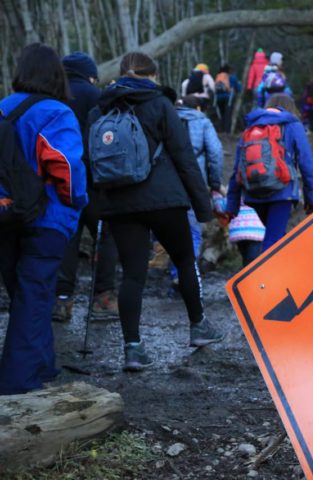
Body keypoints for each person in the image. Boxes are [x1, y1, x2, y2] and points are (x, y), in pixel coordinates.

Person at [89, 52, 223, 372]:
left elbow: (91, 162)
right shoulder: (161, 103)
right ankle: (198, 327)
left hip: (120, 204)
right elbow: (184, 158)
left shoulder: (100, 108)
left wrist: (98, 207)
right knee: (184, 261)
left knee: (133, 275)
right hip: (165, 200)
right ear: (152, 75)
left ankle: (133, 348)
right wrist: (204, 208)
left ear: (121, 73)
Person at [0, 43, 88, 394]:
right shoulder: (56, 112)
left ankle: (42, 367)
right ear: (56, 75)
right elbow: (65, 166)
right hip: (46, 218)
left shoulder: (3, 108)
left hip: (6, 216)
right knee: (35, 297)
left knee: (25, 295)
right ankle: (17, 384)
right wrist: (76, 202)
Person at [53, 52, 119, 323]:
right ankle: (103, 298)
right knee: (106, 236)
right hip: (95, 181)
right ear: (90, 74)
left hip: (60, 180)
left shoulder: (53, 97)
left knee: (68, 238)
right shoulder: (99, 96)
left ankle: (61, 300)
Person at [226, 94, 313, 261]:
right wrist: (311, 198)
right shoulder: (292, 125)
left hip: (253, 193)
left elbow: (237, 167)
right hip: (282, 192)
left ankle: (284, 279)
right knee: (273, 243)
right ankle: (261, 283)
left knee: (278, 237)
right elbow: (306, 162)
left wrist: (232, 205)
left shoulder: (251, 127)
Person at [172, 95, 224, 286]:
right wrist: (215, 182)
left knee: (173, 229)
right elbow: (215, 152)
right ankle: (187, 274)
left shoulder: (167, 117)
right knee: (192, 229)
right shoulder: (202, 121)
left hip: (168, 181)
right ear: (198, 108)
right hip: (195, 180)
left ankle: (176, 272)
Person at [214, 64, 241, 134]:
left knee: (221, 115)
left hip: (218, 98)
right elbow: (238, 88)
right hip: (228, 98)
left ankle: (221, 130)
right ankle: (227, 132)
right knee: (228, 115)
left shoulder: (218, 77)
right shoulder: (232, 77)